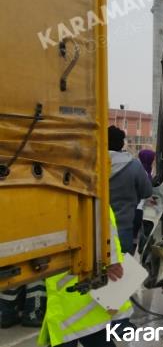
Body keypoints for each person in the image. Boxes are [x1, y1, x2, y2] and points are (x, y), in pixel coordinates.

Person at [38, 210, 132, 347]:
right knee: (91, 331)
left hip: (73, 275)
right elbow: (102, 217)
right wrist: (112, 259)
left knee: (84, 330)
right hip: (81, 274)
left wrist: (112, 259)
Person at [108, 126, 153, 254]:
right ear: (122, 143)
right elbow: (147, 192)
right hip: (122, 229)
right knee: (121, 271)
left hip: (92, 231)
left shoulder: (91, 165)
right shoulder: (133, 166)